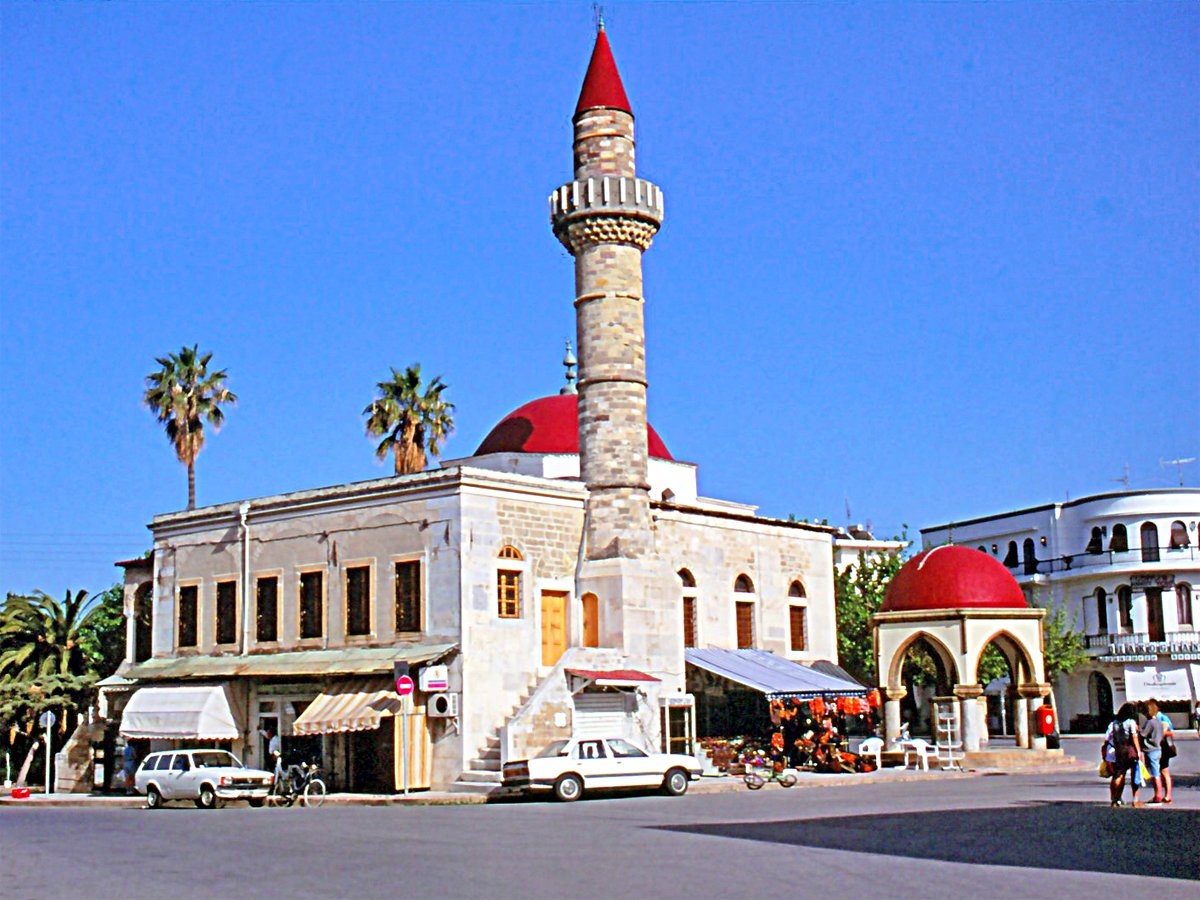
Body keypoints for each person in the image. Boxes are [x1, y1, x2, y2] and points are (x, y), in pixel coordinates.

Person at [1103, 702, 1143, 807]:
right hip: (1129, 751)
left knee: (1118, 775)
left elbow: (1107, 739)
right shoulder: (1131, 722)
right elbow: (1134, 738)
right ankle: (1135, 799)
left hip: (1116, 751)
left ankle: (1115, 798)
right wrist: (1138, 752)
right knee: (1135, 775)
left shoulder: (1113, 724)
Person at [1146, 698, 1173, 804]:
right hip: (1160, 746)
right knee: (1163, 771)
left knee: (1163, 771)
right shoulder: (1155, 718)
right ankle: (1166, 795)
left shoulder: (1162, 717)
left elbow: (1169, 732)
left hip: (1162, 747)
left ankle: (1165, 795)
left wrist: (1155, 734)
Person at [1138, 701, 1165, 804]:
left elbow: (1143, 734)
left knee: (1155, 774)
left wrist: (1139, 730)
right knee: (1156, 771)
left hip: (1151, 749)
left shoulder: (1150, 722)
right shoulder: (1158, 722)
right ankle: (1157, 795)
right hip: (1158, 748)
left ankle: (1157, 795)